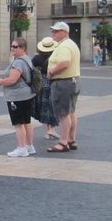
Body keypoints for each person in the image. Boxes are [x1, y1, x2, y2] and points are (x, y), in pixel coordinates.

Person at [0, 37, 37, 157]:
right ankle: (29, 146)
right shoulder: (27, 59)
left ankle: (21, 148)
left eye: (15, 46)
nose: (12, 48)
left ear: (23, 48)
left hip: (17, 96)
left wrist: (0, 81)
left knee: (18, 124)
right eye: (12, 46)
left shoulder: (18, 62)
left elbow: (12, 79)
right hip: (27, 94)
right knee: (27, 121)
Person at [46, 22, 81, 153]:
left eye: (56, 31)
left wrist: (51, 72)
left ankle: (63, 142)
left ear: (65, 32)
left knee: (63, 114)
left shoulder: (64, 46)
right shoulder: (71, 44)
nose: (53, 33)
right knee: (71, 112)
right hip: (73, 81)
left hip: (63, 83)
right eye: (53, 31)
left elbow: (65, 62)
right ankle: (71, 139)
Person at [31, 36, 59, 140]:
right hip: (53, 82)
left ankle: (47, 131)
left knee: (43, 108)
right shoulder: (55, 56)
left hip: (41, 84)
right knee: (52, 107)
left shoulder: (36, 58)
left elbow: (31, 69)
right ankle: (52, 129)